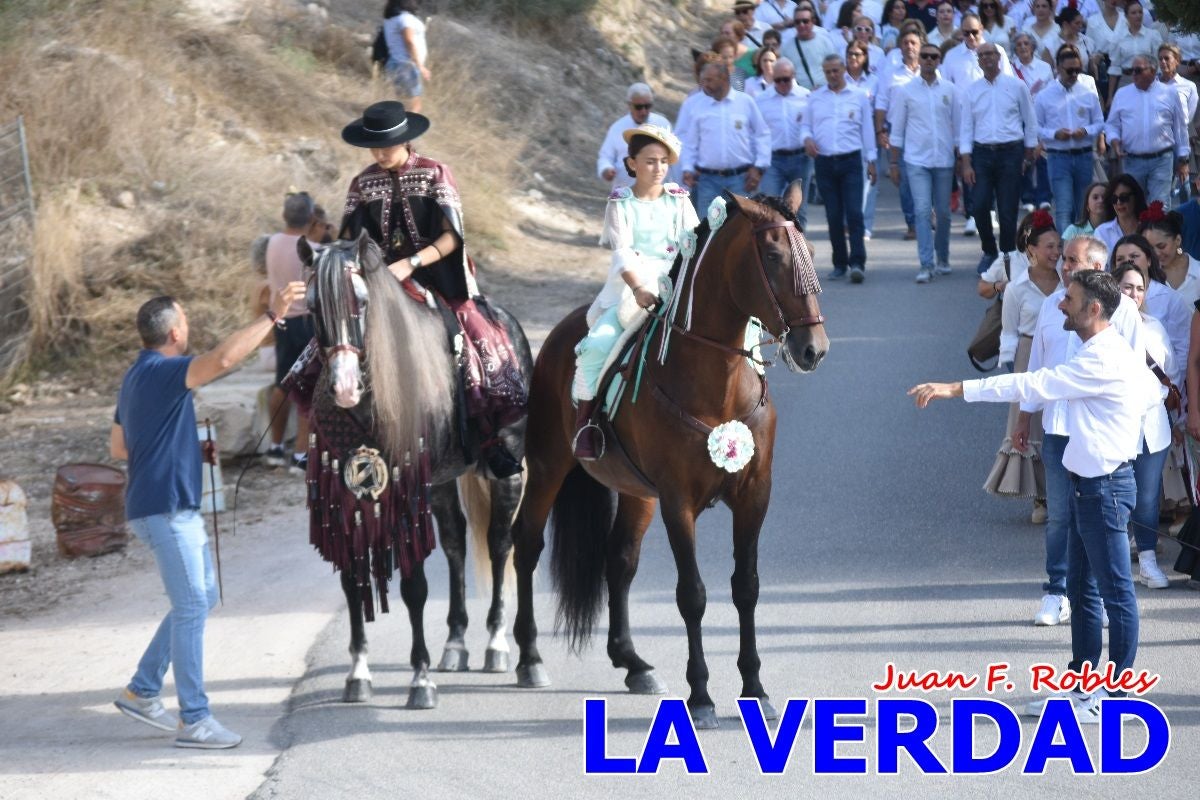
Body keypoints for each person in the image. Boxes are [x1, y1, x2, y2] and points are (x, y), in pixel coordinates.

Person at [909, 268, 1162, 723]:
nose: (1060, 304)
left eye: (1069, 299)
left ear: (1094, 310)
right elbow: (1146, 394)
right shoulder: (1103, 350)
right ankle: (1084, 689)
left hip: (1104, 489)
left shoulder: (1100, 359)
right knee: (1084, 594)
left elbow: (1030, 384)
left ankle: (1116, 697)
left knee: (1116, 595)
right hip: (1094, 487)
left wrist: (955, 388)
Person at [111, 282, 307, 749]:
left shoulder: (136, 375)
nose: (189, 326)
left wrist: (171, 442)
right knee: (193, 605)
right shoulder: (163, 371)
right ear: (175, 332)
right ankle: (194, 720)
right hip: (166, 511)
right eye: (186, 320)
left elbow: (118, 446)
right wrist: (274, 317)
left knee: (198, 598)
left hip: (161, 507)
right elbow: (221, 360)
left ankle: (142, 689)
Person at [338, 101, 527, 477]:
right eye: (373, 147)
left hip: (440, 276)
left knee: (476, 335)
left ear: (405, 141)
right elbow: (348, 238)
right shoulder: (362, 183)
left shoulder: (435, 173)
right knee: (331, 339)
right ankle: (334, 435)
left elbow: (451, 237)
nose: (379, 154)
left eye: (386, 146)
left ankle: (491, 433)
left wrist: (411, 263)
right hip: (380, 283)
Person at [1014, 235, 1146, 627]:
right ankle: (1056, 591)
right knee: (1060, 515)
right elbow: (1036, 368)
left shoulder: (1123, 313)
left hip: (1101, 437)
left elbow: (1135, 377)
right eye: (1064, 259)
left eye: (1074, 260)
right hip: (1057, 428)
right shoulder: (1054, 306)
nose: (1065, 266)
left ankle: (1102, 596)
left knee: (1103, 517)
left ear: (1098, 267)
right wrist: (1024, 417)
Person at [571, 125, 699, 459]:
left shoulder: (680, 200)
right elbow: (622, 253)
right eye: (650, 161)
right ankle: (587, 423)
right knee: (598, 345)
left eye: (663, 162)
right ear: (632, 164)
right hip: (633, 286)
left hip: (677, 283)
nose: (658, 168)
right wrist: (639, 288)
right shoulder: (620, 203)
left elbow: (693, 245)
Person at [984, 211, 1060, 525]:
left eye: (1059, 246)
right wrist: (1010, 370)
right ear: (1031, 249)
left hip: (1061, 350)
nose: (1056, 253)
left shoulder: (1068, 281)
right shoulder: (1017, 287)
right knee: (1031, 424)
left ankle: (1065, 490)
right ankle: (1041, 497)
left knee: (1060, 422)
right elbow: (1009, 331)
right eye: (1049, 247)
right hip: (1028, 354)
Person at [1111, 260, 1176, 589]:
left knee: (1148, 497)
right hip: (1113, 427)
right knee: (1116, 495)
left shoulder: (1154, 326)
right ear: (1114, 287)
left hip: (1152, 425)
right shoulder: (1101, 328)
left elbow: (1171, 372)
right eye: (1127, 287)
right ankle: (1117, 565)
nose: (1134, 294)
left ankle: (1148, 562)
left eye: (1140, 288)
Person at [959, 42, 1039, 274]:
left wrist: (1028, 153)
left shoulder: (1016, 86)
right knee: (980, 205)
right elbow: (965, 128)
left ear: (999, 56)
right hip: (982, 153)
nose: (986, 58)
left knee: (1007, 210)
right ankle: (989, 250)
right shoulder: (972, 90)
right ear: (978, 60)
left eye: (990, 54)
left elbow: (1030, 120)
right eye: (982, 55)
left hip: (1011, 152)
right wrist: (965, 162)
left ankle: (1006, 256)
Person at [801, 54, 878, 282]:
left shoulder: (859, 96)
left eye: (835, 70)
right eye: (828, 72)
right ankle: (839, 263)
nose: (832, 75)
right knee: (833, 215)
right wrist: (807, 139)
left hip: (851, 161)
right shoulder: (815, 98)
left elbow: (867, 131)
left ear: (844, 69)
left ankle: (857, 263)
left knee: (854, 213)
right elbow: (806, 126)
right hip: (824, 162)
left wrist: (872, 160)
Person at [889, 41, 958, 283]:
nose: (929, 60)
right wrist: (894, 163)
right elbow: (896, 130)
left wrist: (962, 157)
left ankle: (943, 258)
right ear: (919, 60)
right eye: (925, 56)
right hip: (916, 160)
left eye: (934, 56)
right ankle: (926, 264)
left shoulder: (950, 89)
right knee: (921, 211)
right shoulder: (906, 91)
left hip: (944, 160)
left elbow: (959, 127)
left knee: (944, 213)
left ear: (939, 60)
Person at [263, 192, 317, 472]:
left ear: (284, 216)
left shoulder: (271, 243)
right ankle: (300, 455)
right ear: (311, 217)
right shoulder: (313, 248)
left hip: (282, 320)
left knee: (282, 385)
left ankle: (275, 447)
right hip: (308, 323)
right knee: (309, 387)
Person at [680, 61, 772, 216]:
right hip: (707, 181)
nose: (704, 85)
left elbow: (762, 134)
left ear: (723, 78)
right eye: (702, 80)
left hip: (741, 180)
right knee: (708, 230)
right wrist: (687, 168)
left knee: (742, 230)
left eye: (709, 80)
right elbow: (690, 142)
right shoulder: (697, 106)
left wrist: (759, 167)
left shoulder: (745, 102)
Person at [1106, 54, 1191, 207]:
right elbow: (1112, 125)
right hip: (1132, 160)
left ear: (1152, 71)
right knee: (1134, 206)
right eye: (1132, 70)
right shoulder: (1122, 94)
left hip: (1162, 159)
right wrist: (1114, 141)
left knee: (1160, 206)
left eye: (1138, 70)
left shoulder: (1170, 93)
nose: (1133, 74)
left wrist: (1183, 159)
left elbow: (1180, 128)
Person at [1036, 45, 1105, 233]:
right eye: (1070, 70)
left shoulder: (1088, 93)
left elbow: (1099, 122)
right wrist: (1054, 134)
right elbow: (1036, 128)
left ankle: (1083, 251)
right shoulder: (1044, 96)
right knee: (1064, 208)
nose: (1074, 74)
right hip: (1058, 156)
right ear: (1058, 68)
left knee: (1084, 207)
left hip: (1083, 155)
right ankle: (1066, 255)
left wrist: (1086, 130)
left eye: (1077, 70)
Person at [875, 27, 923, 240]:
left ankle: (926, 214)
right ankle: (912, 223)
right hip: (899, 132)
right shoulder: (891, 74)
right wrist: (880, 130)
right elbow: (881, 103)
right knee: (903, 180)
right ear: (900, 47)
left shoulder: (932, 71)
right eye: (906, 43)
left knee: (926, 176)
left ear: (920, 46)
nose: (910, 46)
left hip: (926, 132)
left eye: (914, 42)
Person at [756, 57, 813, 227]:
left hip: (801, 158)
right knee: (769, 206)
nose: (782, 84)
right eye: (778, 80)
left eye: (786, 79)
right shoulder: (762, 100)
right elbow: (757, 132)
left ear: (793, 76)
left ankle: (799, 250)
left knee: (799, 209)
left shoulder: (806, 96)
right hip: (773, 160)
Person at [597, 83, 674, 188]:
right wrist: (606, 169)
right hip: (625, 193)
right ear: (629, 105)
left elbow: (674, 157)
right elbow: (606, 156)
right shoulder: (617, 128)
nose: (643, 111)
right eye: (639, 107)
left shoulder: (663, 125)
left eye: (647, 106)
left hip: (657, 193)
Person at [845, 40, 882, 237]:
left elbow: (879, 109)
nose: (853, 58)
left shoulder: (874, 80)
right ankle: (848, 223)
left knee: (869, 184)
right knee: (848, 183)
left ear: (865, 57)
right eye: (850, 53)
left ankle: (865, 226)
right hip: (846, 137)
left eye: (858, 54)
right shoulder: (840, 79)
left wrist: (880, 133)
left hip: (869, 136)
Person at [1103, 1, 1162, 108]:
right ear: (1126, 16)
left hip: (1148, 80)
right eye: (1133, 13)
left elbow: (1158, 63)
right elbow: (1114, 68)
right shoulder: (1119, 39)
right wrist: (1111, 96)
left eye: (1140, 12)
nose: (1138, 15)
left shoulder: (1152, 35)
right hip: (1127, 80)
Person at [1140, 203, 1200, 306]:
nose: (1156, 253)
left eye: (1161, 246)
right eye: (1150, 248)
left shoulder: (1198, 270)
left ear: (1177, 240)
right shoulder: (1144, 276)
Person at [381, 0, 429, 113]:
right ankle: (407, 129)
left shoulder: (391, 18)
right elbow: (409, 41)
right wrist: (420, 66)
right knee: (413, 107)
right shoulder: (405, 18)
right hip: (406, 65)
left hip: (396, 63)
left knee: (402, 105)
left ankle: (399, 128)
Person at [1094, 173, 1148, 252]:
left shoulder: (1149, 229)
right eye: (1114, 199)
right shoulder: (1102, 232)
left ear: (1135, 197)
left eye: (1124, 197)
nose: (1119, 203)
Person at [788, 6, 839, 89]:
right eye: (797, 22)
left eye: (805, 21)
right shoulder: (786, 47)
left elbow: (835, 67)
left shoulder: (825, 42)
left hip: (825, 91)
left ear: (813, 22)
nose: (801, 25)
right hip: (800, 96)